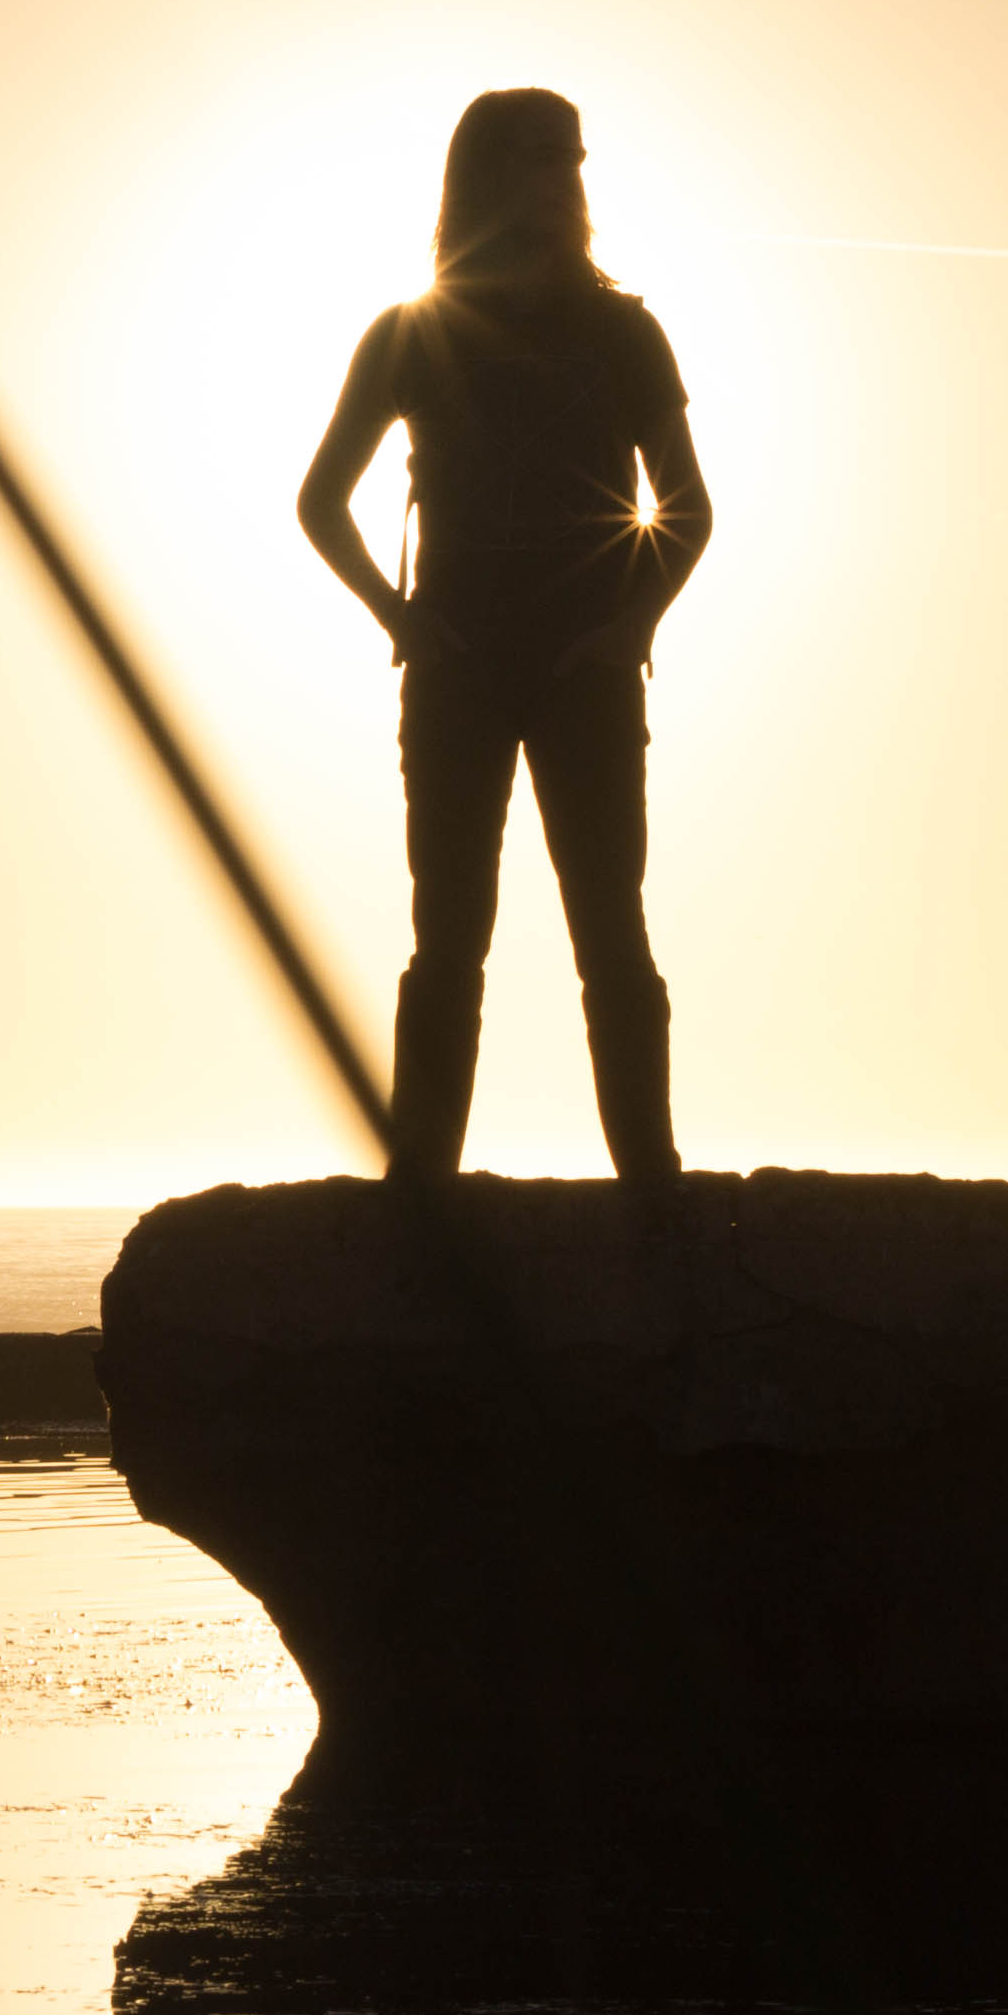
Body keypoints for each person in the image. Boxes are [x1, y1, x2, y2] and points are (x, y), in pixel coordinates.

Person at [295, 87, 714, 1195]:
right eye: (539, 157)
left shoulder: (624, 332)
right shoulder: (410, 332)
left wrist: (628, 630)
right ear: (486, 174)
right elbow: (321, 500)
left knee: (610, 937)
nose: (564, 175)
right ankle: (418, 1192)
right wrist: (402, 622)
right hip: (459, 674)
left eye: (572, 156)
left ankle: (653, 1192)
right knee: (449, 943)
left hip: (586, 674)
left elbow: (689, 509)